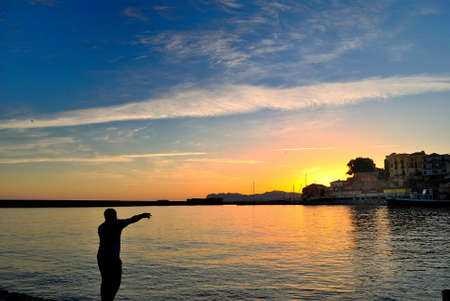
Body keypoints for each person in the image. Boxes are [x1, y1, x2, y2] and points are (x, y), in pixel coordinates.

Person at [97, 208, 151, 301]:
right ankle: (109, 299)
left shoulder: (101, 226)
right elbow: (132, 219)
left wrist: (140, 216)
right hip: (112, 258)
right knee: (115, 281)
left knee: (105, 281)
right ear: (114, 216)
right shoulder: (117, 224)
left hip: (101, 257)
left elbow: (131, 219)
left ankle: (105, 299)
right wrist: (142, 215)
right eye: (115, 216)